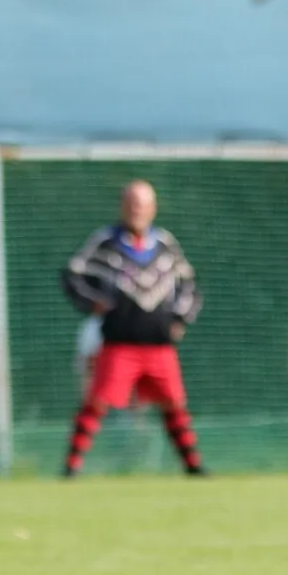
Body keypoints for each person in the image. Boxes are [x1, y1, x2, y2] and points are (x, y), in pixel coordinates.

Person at [60, 181, 205, 478]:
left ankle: (193, 467)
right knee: (97, 402)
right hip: (119, 343)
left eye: (142, 204)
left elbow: (189, 284)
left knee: (174, 403)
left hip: (159, 344)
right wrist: (94, 302)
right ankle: (71, 469)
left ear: (153, 208)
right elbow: (72, 275)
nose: (136, 210)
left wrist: (180, 319)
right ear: (121, 206)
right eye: (131, 203)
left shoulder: (164, 244)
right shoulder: (106, 242)